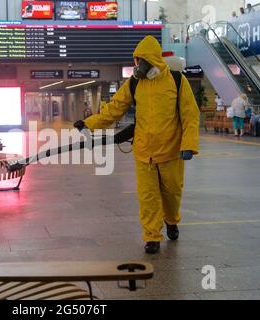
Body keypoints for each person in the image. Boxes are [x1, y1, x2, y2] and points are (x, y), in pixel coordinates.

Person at [74, 36, 200, 254]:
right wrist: (88, 124)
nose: (139, 65)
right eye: (137, 60)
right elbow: (114, 109)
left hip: (171, 151)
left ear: (154, 61)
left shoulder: (177, 81)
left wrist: (188, 144)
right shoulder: (134, 84)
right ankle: (152, 236)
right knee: (147, 196)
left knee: (171, 193)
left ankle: (171, 220)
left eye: (143, 60)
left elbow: (190, 115)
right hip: (144, 152)